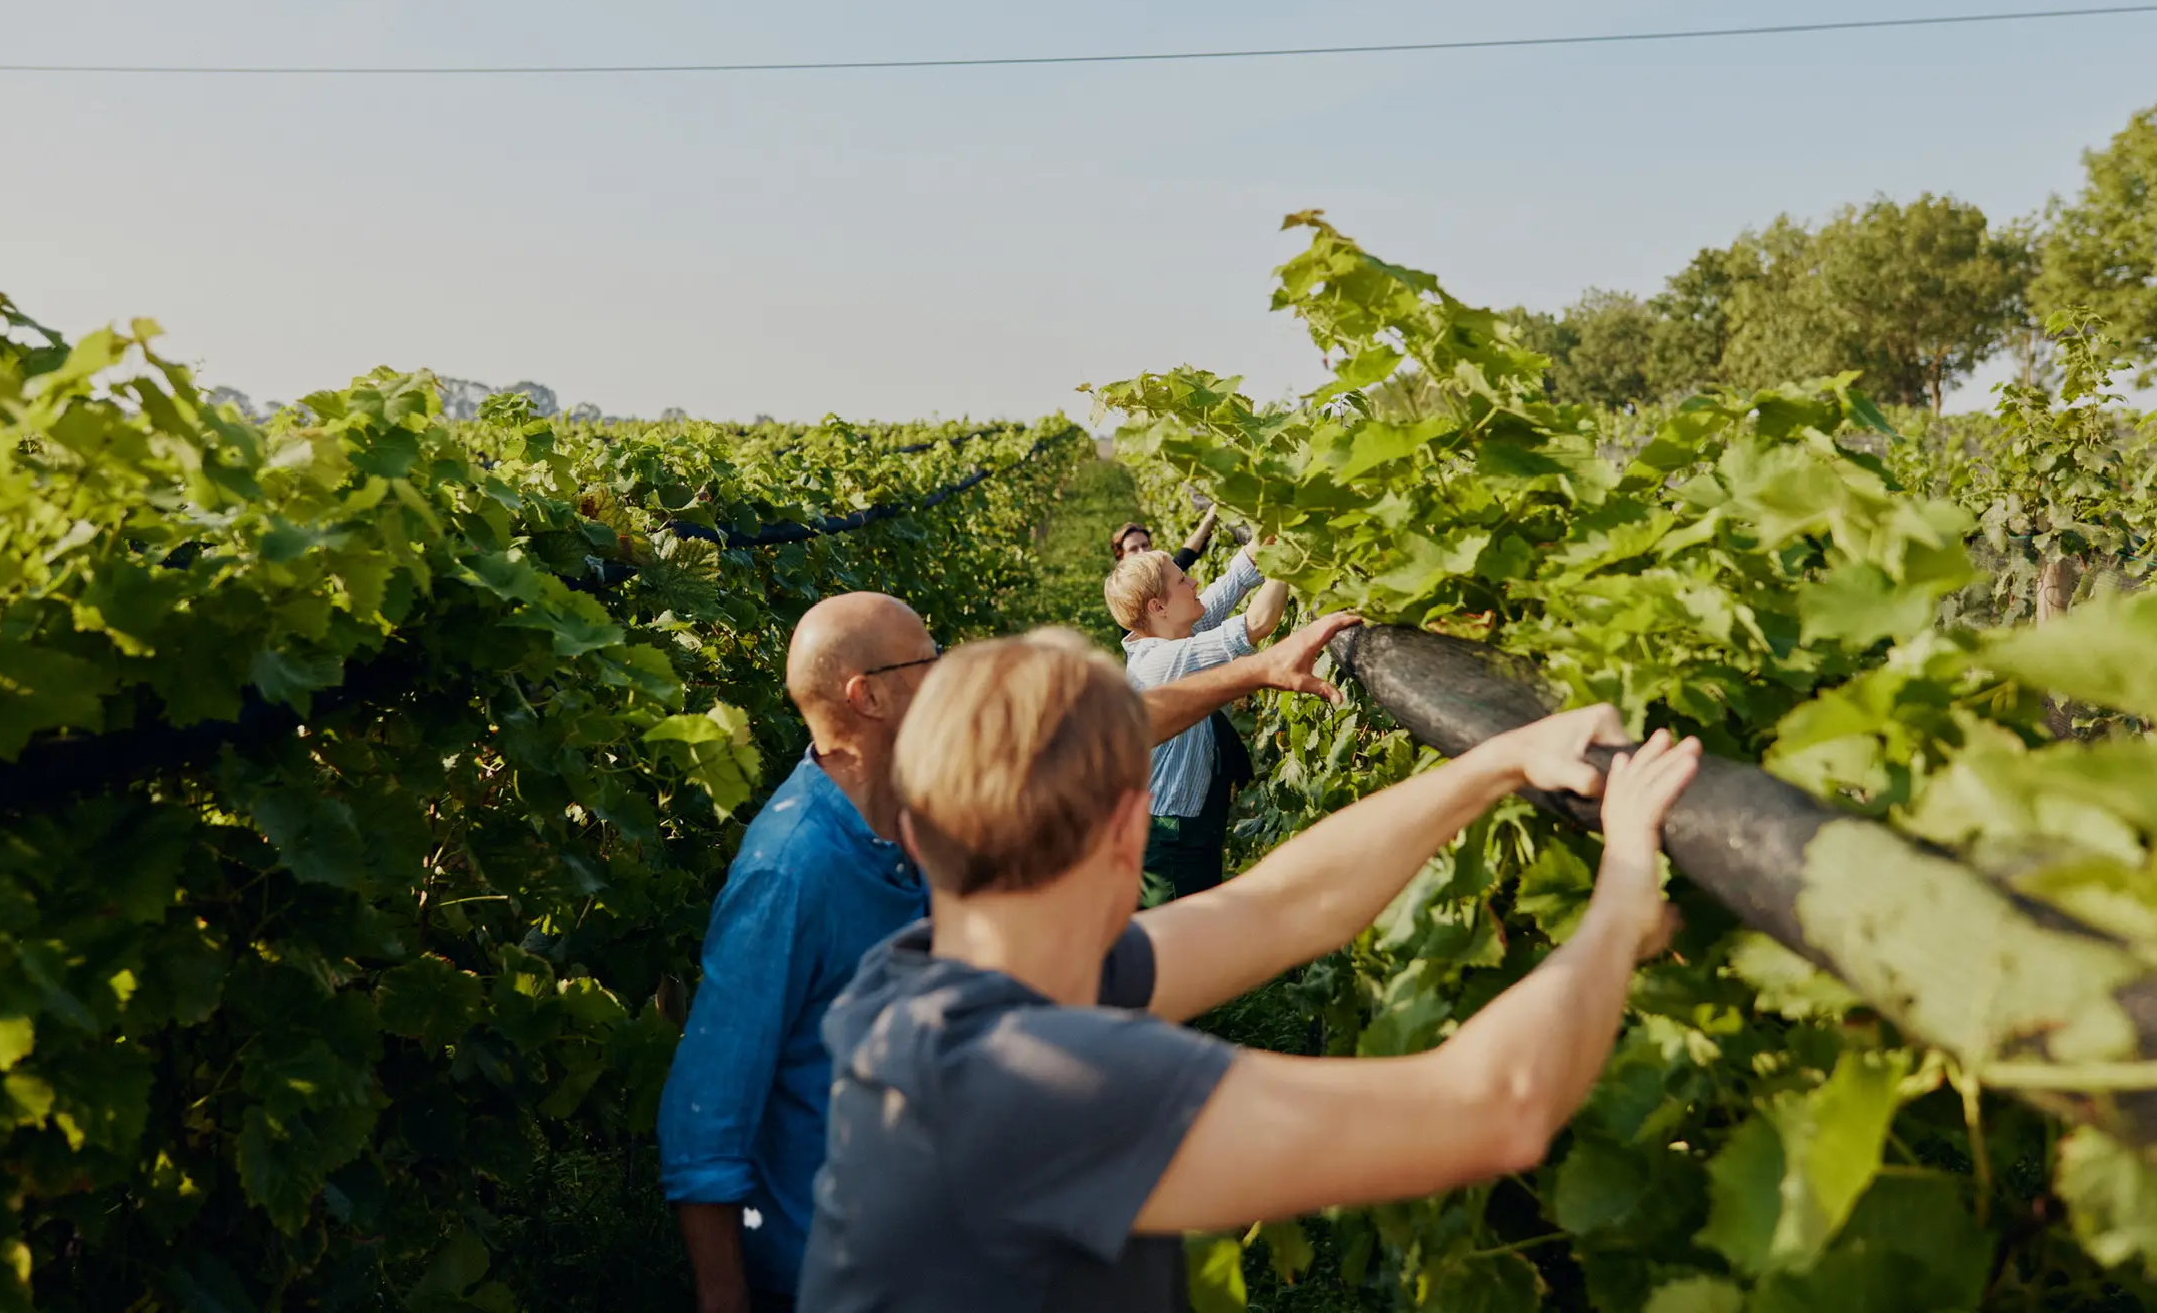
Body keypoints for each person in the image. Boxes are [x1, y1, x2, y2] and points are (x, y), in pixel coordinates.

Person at [799, 629, 1698, 1310]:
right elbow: (1495, 1110)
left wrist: (1499, 761)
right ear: (1130, 831)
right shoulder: (1033, 1084)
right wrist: (1623, 890)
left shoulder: (925, 987)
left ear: (916, 835)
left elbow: (1279, 908)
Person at [658, 593, 1362, 1313]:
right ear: (866, 696)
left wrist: (1255, 670)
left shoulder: (923, 791)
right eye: (926, 658)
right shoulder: (790, 871)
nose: (945, 669)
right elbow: (706, 1119)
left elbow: (1097, 736)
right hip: (820, 1273)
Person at [1103, 546, 1282, 898]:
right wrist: (1289, 563)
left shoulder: (1172, 631)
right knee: (1180, 939)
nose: (1194, 580)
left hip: (1186, 825)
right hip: (1169, 841)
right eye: (1183, 580)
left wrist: (1264, 538)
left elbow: (1230, 584)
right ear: (1159, 607)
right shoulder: (1161, 662)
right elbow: (1258, 624)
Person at [1110, 498, 1218, 570]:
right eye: (1133, 549)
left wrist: (1209, 520)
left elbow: (1184, 558)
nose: (1142, 551)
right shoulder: (1126, 593)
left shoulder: (1159, 576)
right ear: (1121, 557)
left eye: (1145, 545)